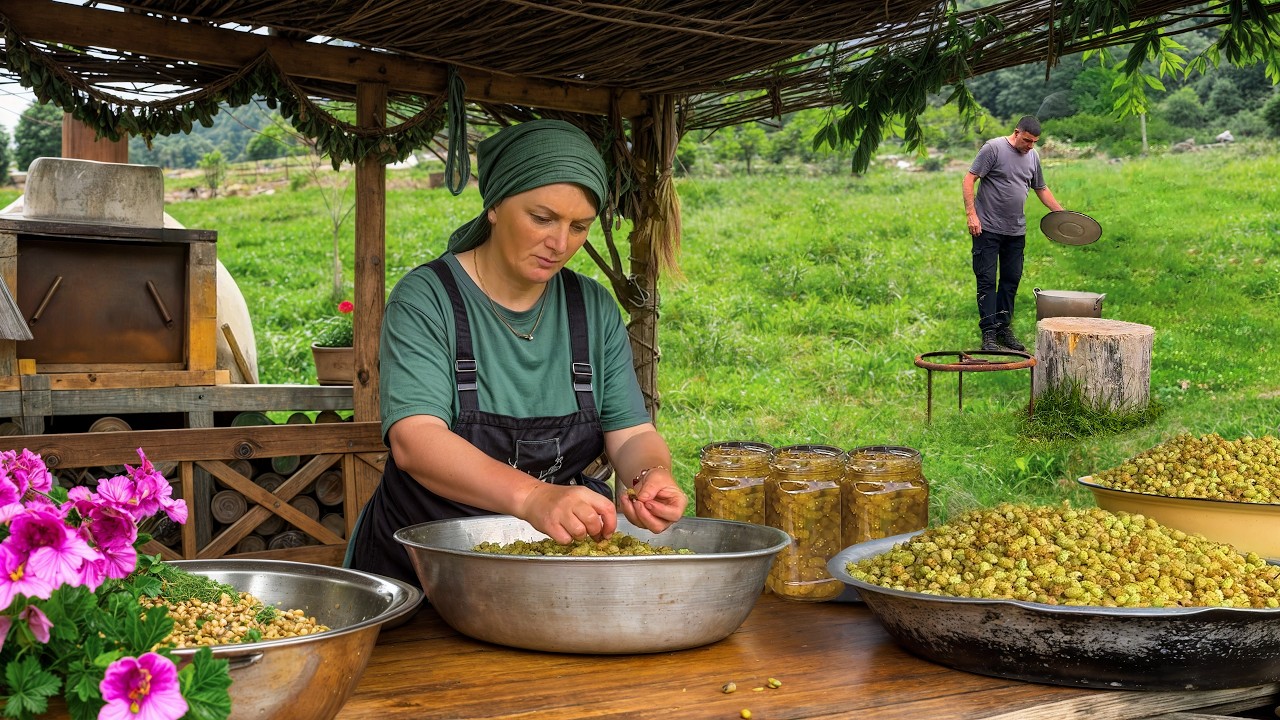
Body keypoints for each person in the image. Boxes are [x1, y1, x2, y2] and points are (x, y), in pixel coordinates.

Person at [346, 119, 687, 588]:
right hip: (424, 574)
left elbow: (629, 432)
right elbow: (415, 441)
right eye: (542, 218)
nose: (561, 243)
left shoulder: (591, 307)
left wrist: (651, 474)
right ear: (494, 206)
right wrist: (533, 498)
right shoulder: (427, 299)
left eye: (579, 226)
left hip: (544, 578)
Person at [962, 115, 1064, 352]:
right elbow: (969, 180)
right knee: (987, 280)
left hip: (1015, 231)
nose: (1030, 146)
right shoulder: (993, 148)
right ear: (1016, 132)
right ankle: (988, 333)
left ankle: (1003, 328)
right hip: (986, 228)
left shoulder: (1033, 156)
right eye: (1027, 140)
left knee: (1011, 280)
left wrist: (1062, 214)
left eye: (1034, 142)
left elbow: (1041, 187)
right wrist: (971, 214)